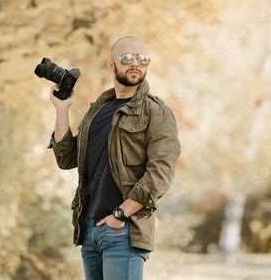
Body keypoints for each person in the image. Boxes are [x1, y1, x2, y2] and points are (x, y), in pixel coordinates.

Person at [47, 36, 181, 279]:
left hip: (124, 230)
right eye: (126, 58)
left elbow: (160, 174)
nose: (135, 64)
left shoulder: (156, 112)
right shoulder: (97, 110)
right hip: (89, 229)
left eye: (142, 59)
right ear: (112, 65)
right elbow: (66, 158)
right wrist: (62, 109)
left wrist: (120, 214)